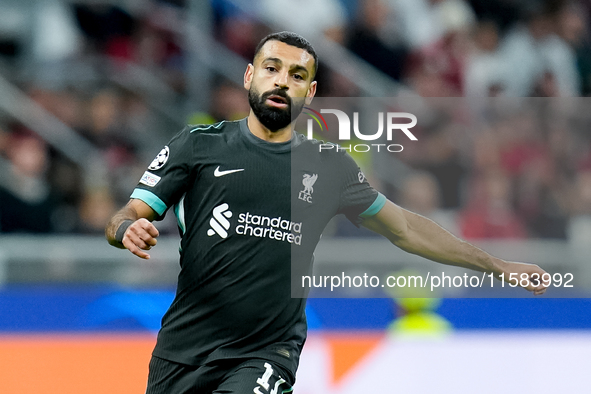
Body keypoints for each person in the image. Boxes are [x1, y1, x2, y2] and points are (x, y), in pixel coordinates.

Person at [105, 31, 548, 393]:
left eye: (297, 75)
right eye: (272, 68)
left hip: (266, 353)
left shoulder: (329, 167)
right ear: (248, 76)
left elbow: (406, 228)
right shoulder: (198, 145)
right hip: (182, 350)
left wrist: (495, 264)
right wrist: (128, 228)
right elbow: (125, 213)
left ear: (311, 92)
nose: (282, 81)